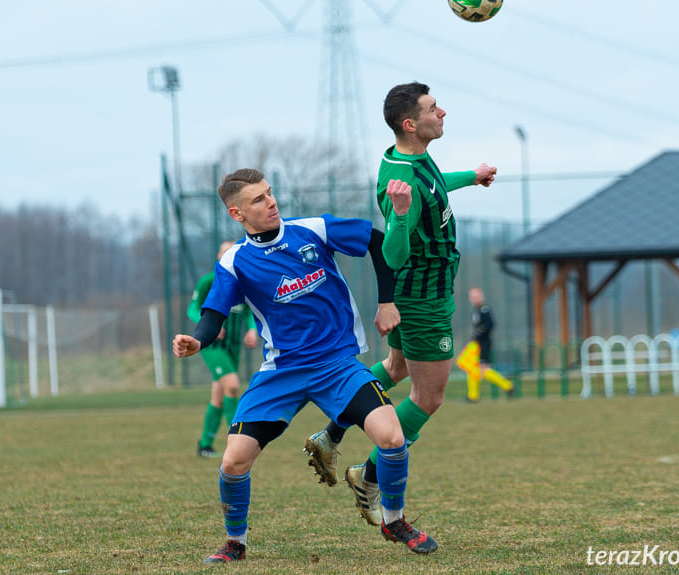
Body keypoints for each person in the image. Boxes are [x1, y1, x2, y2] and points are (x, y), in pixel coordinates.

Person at [173, 168, 437, 564]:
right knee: (233, 461)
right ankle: (235, 543)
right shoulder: (234, 262)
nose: (271, 202)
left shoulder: (313, 229)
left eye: (270, 193)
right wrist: (197, 340)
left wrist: (387, 301)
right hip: (282, 372)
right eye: (258, 200)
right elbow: (214, 315)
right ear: (236, 213)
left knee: (393, 438)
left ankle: (394, 520)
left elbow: (376, 241)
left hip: (336, 365)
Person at [304, 81, 497, 526]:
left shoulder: (410, 161)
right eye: (433, 108)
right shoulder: (402, 180)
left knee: (396, 368)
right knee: (428, 398)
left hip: (420, 291)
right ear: (411, 123)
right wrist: (401, 214)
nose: (442, 112)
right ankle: (368, 474)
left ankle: (330, 435)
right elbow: (392, 253)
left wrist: (471, 176)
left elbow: (432, 187)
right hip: (424, 297)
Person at [190, 240, 259, 458]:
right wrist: (206, 324)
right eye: (226, 252)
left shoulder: (242, 283)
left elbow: (249, 312)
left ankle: (204, 445)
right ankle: (237, 442)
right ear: (219, 258)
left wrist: (251, 330)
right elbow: (193, 308)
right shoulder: (208, 281)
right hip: (213, 347)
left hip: (233, 348)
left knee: (218, 397)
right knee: (232, 386)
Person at [455, 287, 514, 402]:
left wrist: (479, 334)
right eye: (472, 297)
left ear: (482, 296)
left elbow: (489, 325)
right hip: (477, 343)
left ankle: (508, 385)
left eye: (476, 296)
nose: (474, 299)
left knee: (483, 369)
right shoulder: (476, 310)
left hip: (484, 343)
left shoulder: (484, 310)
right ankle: (473, 396)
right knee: (471, 367)